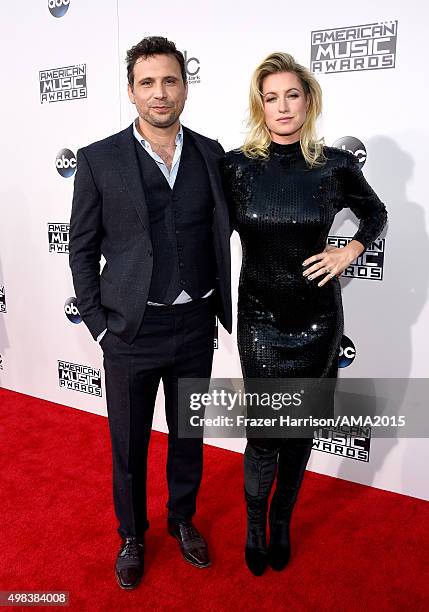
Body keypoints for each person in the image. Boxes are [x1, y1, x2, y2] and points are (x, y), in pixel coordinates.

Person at [69, 36, 232, 590]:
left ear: (185, 86)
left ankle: (182, 519)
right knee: (129, 443)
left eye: (169, 81)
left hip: (194, 324)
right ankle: (132, 534)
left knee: (188, 434)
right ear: (132, 91)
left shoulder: (212, 154)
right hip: (131, 331)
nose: (160, 93)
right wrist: (98, 325)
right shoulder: (98, 159)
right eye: (147, 83)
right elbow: (82, 248)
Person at [221, 52, 387, 576]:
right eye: (271, 97)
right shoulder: (237, 165)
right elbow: (201, 226)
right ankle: (253, 526)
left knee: (300, 430)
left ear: (308, 101)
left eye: (292, 94)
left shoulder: (335, 164)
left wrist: (349, 249)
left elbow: (376, 213)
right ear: (259, 106)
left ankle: (283, 522)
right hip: (260, 318)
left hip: (317, 320)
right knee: (266, 431)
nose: (283, 106)